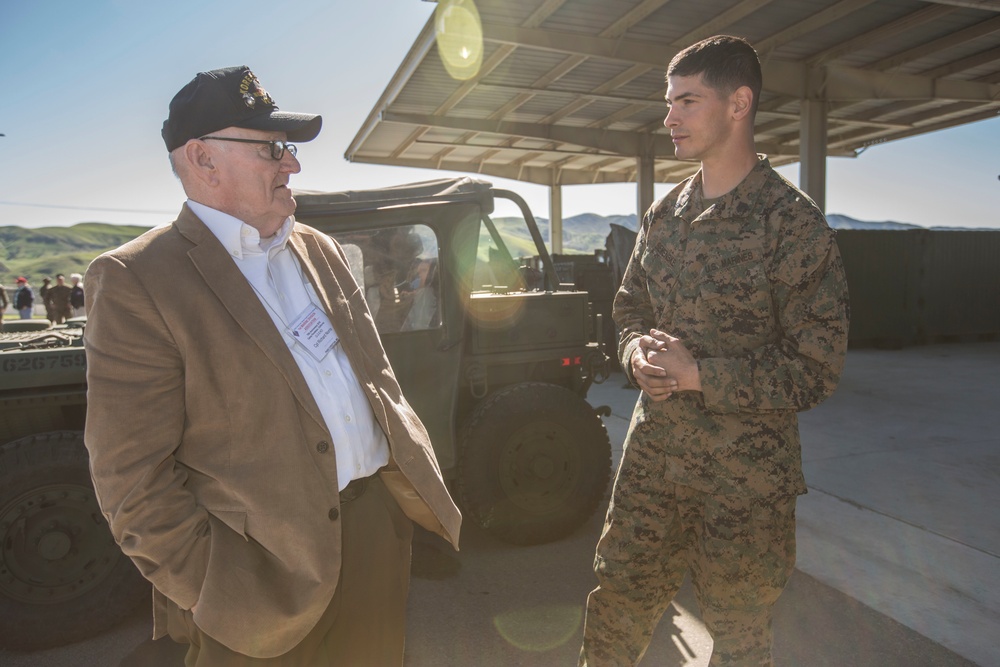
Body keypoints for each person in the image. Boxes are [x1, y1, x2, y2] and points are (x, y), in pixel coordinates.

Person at [83, 65, 461, 666]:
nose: (293, 164)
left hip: (374, 536)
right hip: (259, 576)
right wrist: (218, 592)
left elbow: (374, 377)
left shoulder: (319, 248)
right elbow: (131, 482)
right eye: (271, 148)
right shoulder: (138, 279)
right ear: (203, 158)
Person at [580, 36, 849, 667]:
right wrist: (635, 357)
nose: (668, 117)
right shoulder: (664, 215)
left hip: (744, 480)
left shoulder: (791, 223)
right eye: (668, 102)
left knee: (738, 633)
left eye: (686, 101)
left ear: (739, 103)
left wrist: (699, 374)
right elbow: (629, 311)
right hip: (654, 461)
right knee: (616, 602)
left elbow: (816, 368)